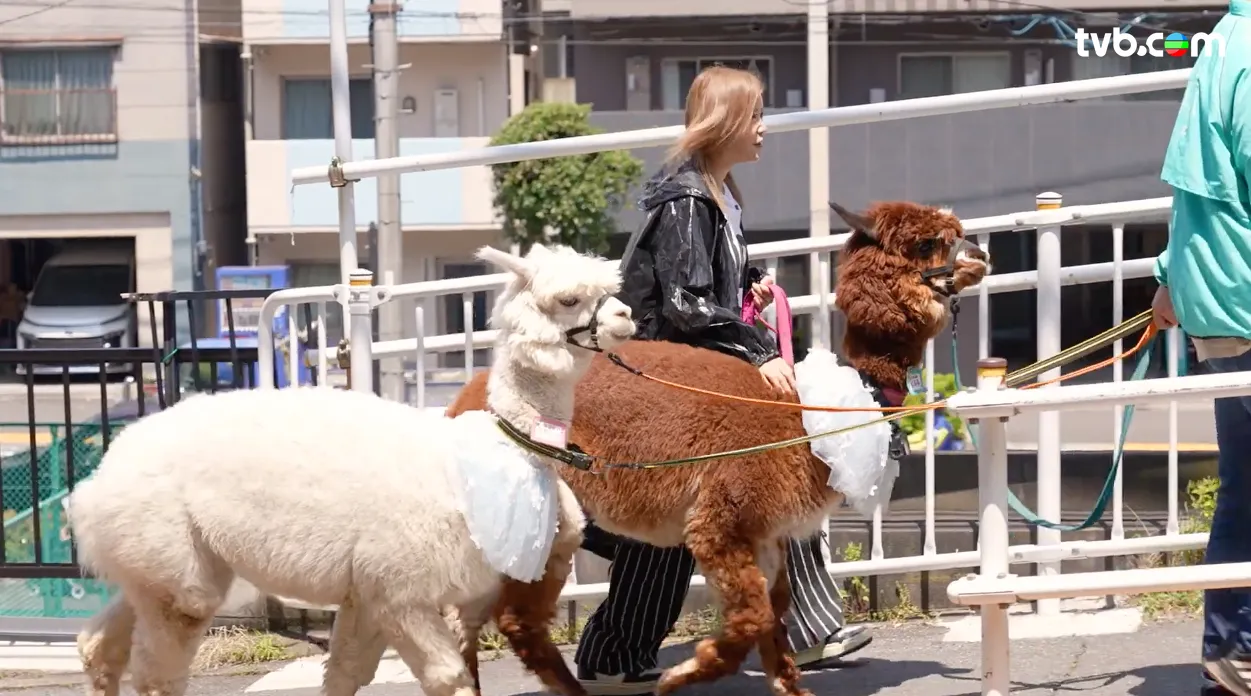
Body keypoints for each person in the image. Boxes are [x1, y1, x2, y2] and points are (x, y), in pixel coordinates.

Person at [573, 65, 870, 696]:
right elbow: (686, 303)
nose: (763, 127)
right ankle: (614, 655)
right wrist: (759, 349)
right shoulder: (688, 201)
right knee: (707, 502)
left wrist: (749, 283)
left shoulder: (716, 194)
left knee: (747, 490)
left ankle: (617, 654)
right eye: (755, 115)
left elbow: (701, 286)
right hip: (668, 385)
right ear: (725, 122)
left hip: (687, 381)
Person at [1149, 5, 1251, 695]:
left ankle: (1232, 652)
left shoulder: (1224, 43)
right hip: (1243, 296)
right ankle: (1236, 650)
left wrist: (1168, 276)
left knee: (1244, 488)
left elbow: (1195, 194)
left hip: (1219, 301)